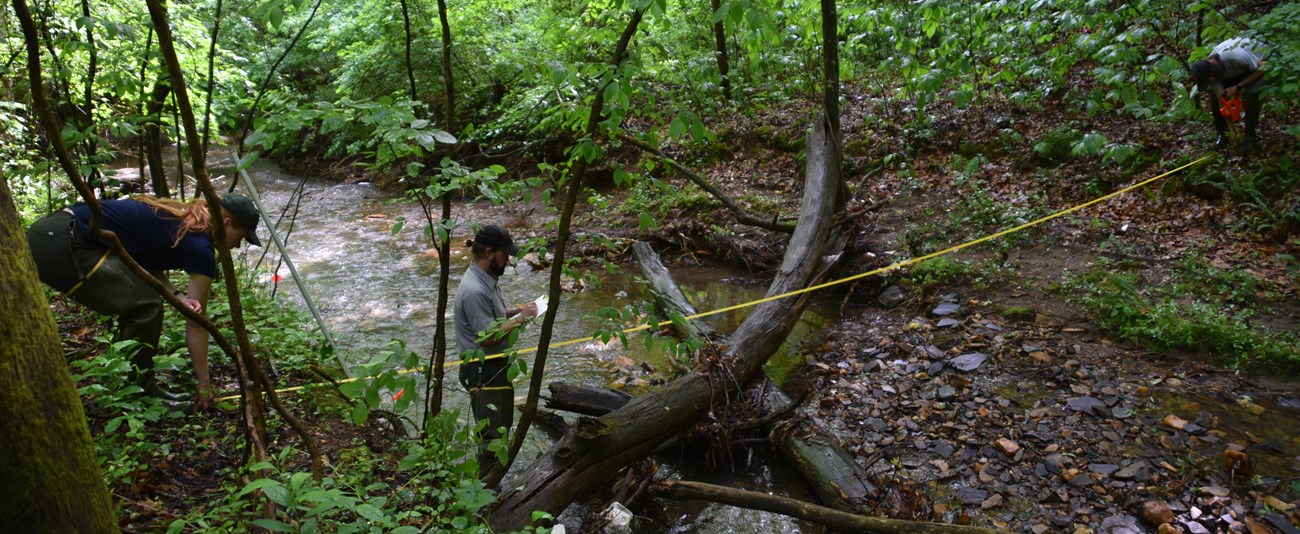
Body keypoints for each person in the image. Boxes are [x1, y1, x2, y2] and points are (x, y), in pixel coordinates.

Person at [27, 194, 261, 410]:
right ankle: (141, 392)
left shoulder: (184, 219)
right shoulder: (200, 245)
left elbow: (140, 257)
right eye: (241, 237)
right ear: (227, 223)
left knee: (143, 302)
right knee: (145, 306)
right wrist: (204, 385)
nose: (238, 246)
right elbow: (196, 324)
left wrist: (178, 296)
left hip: (52, 231)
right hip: (62, 243)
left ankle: (140, 383)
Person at [453, 224, 537, 475]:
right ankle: (488, 494)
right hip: (483, 371)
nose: (508, 261)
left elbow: (491, 320)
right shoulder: (476, 290)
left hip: (492, 368)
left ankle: (491, 488)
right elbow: (487, 338)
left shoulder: (485, 279)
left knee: (499, 429)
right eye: (505, 255)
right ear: (489, 252)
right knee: (493, 438)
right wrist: (521, 319)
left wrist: (512, 313)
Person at [1190, 37, 1266, 150]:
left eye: (1209, 80)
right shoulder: (1211, 74)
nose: (1210, 83)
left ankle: (1249, 137)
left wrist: (1238, 86)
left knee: (1252, 94)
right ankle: (1223, 135)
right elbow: (1223, 101)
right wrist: (1232, 130)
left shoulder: (1237, 57)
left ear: (1213, 73)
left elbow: (1264, 66)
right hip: (1239, 69)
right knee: (1214, 97)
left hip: (1261, 63)